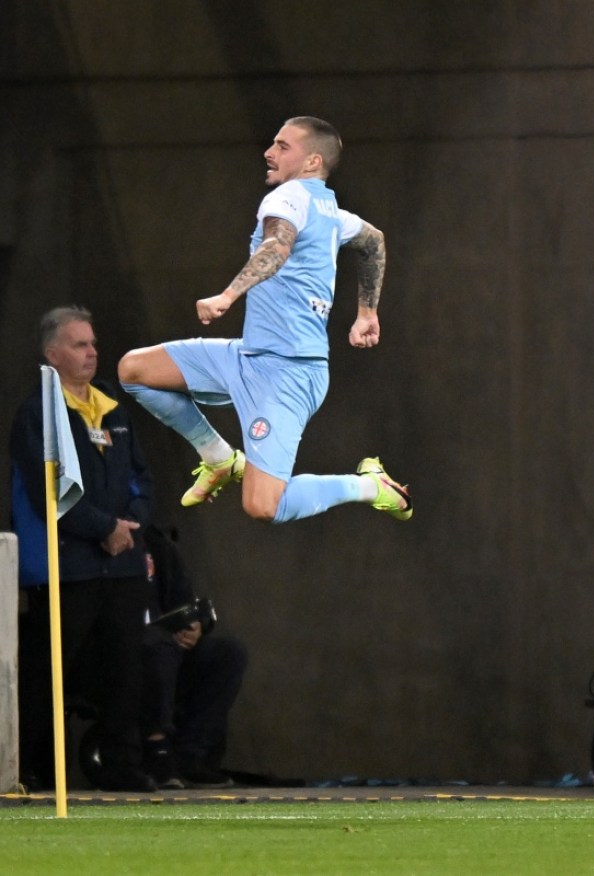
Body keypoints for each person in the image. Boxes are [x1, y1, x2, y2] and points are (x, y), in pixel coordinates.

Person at [116, 116, 411, 525]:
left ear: (310, 162)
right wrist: (367, 312)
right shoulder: (329, 210)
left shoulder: (289, 198)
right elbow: (373, 240)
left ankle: (370, 486)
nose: (269, 152)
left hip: (288, 372)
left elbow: (277, 246)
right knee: (133, 370)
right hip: (247, 356)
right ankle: (218, 457)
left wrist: (228, 295)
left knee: (263, 506)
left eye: (282, 146)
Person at [9, 306, 157, 792]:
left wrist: (131, 525)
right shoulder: (38, 414)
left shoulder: (112, 406)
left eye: (93, 343)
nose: (92, 352)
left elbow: (141, 476)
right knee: (49, 669)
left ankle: (122, 763)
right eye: (80, 344)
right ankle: (33, 765)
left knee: (125, 668)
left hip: (123, 565)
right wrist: (103, 528)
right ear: (53, 354)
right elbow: (49, 489)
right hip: (70, 566)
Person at [139, 524, 248, 789]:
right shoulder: (101, 545)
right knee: (158, 647)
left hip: (172, 647)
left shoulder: (155, 541)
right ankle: (158, 754)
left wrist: (195, 625)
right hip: (131, 652)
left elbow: (185, 601)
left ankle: (192, 755)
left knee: (228, 653)